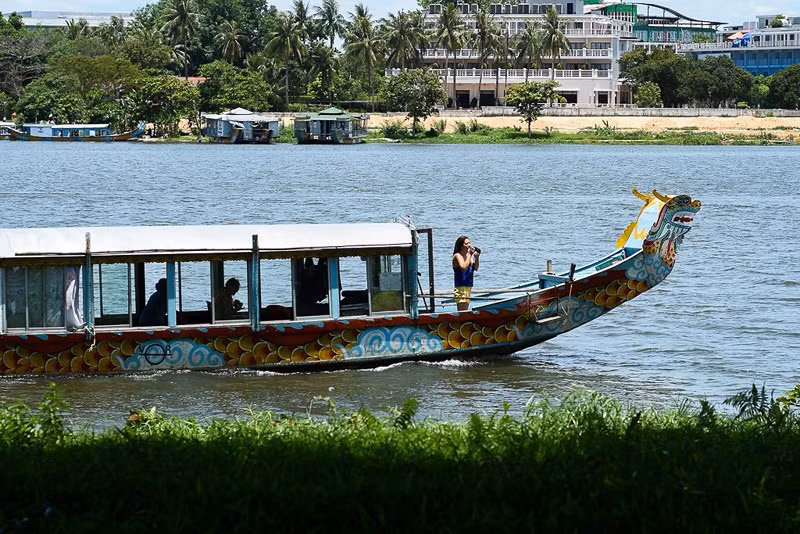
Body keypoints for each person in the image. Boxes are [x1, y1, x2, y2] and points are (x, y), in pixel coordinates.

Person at [452, 235, 480, 311]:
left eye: (469, 243)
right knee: (462, 311)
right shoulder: (457, 256)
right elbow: (463, 268)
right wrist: (470, 255)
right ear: (461, 246)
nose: (469, 245)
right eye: (466, 244)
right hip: (461, 286)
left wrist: (476, 258)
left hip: (468, 285)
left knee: (466, 309)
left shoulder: (468, 256)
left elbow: (476, 268)